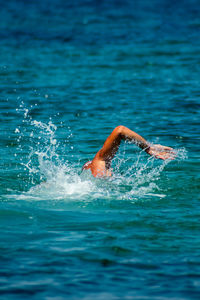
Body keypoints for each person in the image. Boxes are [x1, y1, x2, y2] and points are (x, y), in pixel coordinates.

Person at [82, 125, 175, 177]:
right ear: (91, 167)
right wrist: (148, 147)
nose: (110, 166)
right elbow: (120, 130)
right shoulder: (99, 164)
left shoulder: (92, 182)